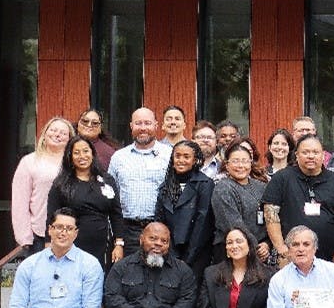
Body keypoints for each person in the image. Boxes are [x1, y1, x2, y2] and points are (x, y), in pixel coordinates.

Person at [262, 135, 334, 267]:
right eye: (305, 152)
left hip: (330, 261)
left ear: (323, 155)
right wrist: (281, 249)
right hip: (290, 260)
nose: (311, 156)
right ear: (296, 155)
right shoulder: (282, 178)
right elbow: (270, 213)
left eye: (315, 152)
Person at [48, 136, 125, 268]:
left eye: (85, 151)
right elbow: (51, 216)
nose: (82, 156)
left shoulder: (107, 180)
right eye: (76, 153)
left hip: (103, 244)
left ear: (92, 153)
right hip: (71, 244)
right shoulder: (61, 184)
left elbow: (116, 214)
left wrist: (119, 244)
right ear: (70, 157)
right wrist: (49, 244)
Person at [109, 108, 174, 253]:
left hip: (160, 229)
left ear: (156, 126)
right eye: (138, 123)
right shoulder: (119, 157)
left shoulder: (170, 155)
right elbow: (112, 197)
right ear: (131, 126)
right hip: (128, 230)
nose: (143, 128)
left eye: (147, 123)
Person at [155, 140, 215, 278]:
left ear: (195, 160)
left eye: (186, 157)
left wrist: (188, 257)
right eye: (177, 156)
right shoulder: (166, 186)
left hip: (196, 253)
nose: (181, 160)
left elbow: (203, 223)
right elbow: (160, 220)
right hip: (170, 252)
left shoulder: (205, 184)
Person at [12, 116, 72, 251]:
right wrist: (24, 237)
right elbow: (20, 202)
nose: (57, 134)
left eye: (63, 133)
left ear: (70, 139)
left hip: (71, 232)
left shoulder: (73, 163)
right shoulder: (29, 161)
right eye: (53, 130)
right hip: (39, 235)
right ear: (45, 134)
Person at [211, 142, 269, 264]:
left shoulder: (262, 187)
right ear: (227, 165)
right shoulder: (223, 188)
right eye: (236, 161)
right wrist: (255, 248)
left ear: (251, 163)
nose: (240, 165)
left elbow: (271, 218)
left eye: (245, 161)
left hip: (261, 251)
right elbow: (233, 224)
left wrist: (267, 244)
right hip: (232, 252)